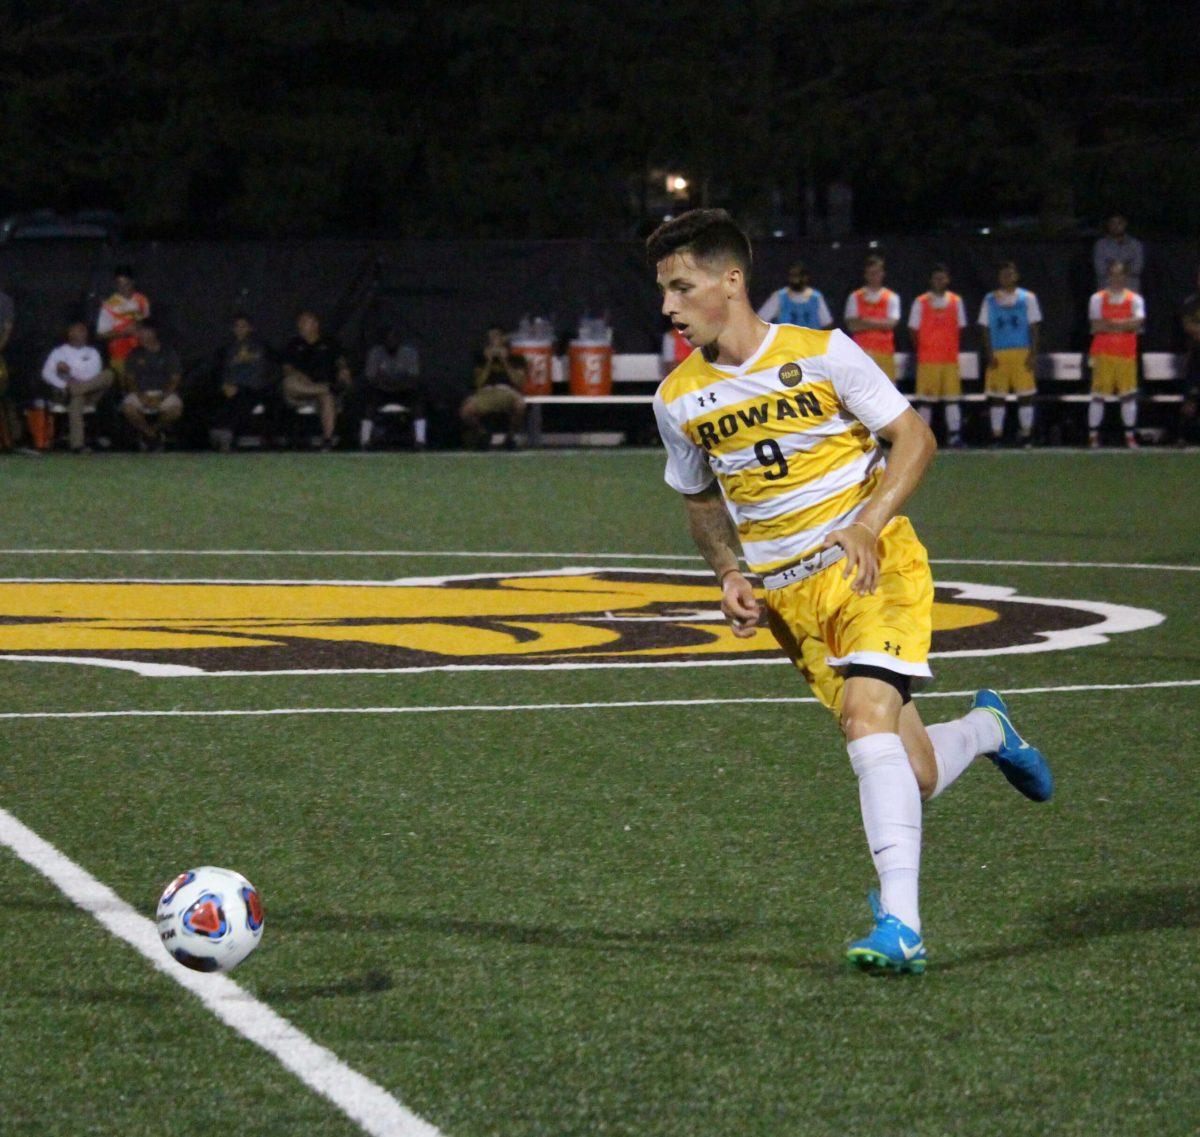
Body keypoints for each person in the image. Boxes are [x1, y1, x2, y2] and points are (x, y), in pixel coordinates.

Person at [649, 209, 1052, 975]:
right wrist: (729, 571)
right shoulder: (676, 399)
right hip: (788, 601)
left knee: (866, 721)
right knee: (916, 772)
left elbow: (915, 438)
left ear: (730, 281)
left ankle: (902, 924)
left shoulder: (824, 352)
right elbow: (700, 500)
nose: (668, 306)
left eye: (681, 286)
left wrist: (867, 524)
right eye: (664, 289)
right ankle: (991, 730)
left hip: (873, 563)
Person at [978, 261, 1042, 447]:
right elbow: (984, 328)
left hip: (1022, 352)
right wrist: (989, 353)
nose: (1007, 277)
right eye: (1004, 274)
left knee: (1025, 396)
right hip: (999, 353)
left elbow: (1034, 326)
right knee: (997, 397)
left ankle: (1026, 435)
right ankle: (997, 436)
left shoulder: (1027, 298)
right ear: (999, 277)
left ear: (1016, 276)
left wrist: (1033, 353)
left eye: (1010, 274)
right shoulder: (990, 299)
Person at [907, 264, 967, 447]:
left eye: (942, 278)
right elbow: (913, 329)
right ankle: (923, 439)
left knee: (952, 399)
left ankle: (954, 436)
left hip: (949, 359)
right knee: (926, 401)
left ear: (947, 280)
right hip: (928, 359)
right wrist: (924, 348)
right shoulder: (921, 301)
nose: (939, 281)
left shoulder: (956, 301)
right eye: (936, 278)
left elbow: (961, 328)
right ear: (931, 281)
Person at [1087, 261, 1145, 449]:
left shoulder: (1135, 299)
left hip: (1126, 354)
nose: (1117, 279)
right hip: (1103, 354)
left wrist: (1110, 324)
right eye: (1113, 275)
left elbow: (1137, 324)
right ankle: (1093, 436)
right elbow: (1096, 326)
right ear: (1108, 276)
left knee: (1128, 396)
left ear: (1126, 277)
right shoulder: (1097, 298)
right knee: (1098, 396)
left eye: (1120, 275)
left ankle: (1129, 436)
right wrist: (1124, 324)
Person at [281, 310, 352, 450]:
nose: (300, 326)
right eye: (299, 323)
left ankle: (327, 440)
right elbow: (286, 368)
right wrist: (300, 376)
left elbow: (341, 361)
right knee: (288, 383)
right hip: (302, 390)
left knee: (327, 397)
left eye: (304, 322)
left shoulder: (329, 342)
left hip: (322, 391)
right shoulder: (293, 344)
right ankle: (327, 388)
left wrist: (344, 370)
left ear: (315, 324)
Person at [40, 321, 113, 453]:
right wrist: (64, 384)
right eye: (80, 331)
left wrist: (70, 372)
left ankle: (74, 391)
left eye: (84, 331)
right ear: (70, 333)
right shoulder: (59, 352)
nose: (83, 334)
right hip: (66, 393)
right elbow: (46, 373)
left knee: (108, 374)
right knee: (76, 400)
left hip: (89, 392)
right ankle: (77, 445)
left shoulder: (92, 352)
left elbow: (93, 374)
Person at [217, 313, 277, 451]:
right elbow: (223, 371)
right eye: (237, 326)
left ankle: (233, 440)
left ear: (250, 328)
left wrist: (239, 386)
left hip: (254, 388)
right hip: (231, 389)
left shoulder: (258, 347)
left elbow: (261, 371)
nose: (240, 329)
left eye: (243, 326)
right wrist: (225, 385)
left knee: (242, 399)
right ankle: (225, 440)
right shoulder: (227, 349)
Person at [460, 326, 527, 449]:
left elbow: (519, 382)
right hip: (486, 392)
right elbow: (478, 382)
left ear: (503, 339)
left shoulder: (516, 358)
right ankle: (483, 435)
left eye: (496, 337)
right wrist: (488, 362)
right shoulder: (481, 358)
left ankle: (510, 438)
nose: (493, 341)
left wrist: (505, 361)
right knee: (466, 411)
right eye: (490, 338)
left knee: (520, 405)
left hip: (507, 392)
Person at [120, 319, 183, 450]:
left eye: (141, 331)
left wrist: (162, 396)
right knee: (128, 408)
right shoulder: (134, 354)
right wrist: (140, 396)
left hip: (162, 393)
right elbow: (130, 379)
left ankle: (151, 431)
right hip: (141, 393)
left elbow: (175, 379)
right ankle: (151, 435)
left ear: (152, 333)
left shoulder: (168, 353)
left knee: (175, 410)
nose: (138, 335)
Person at [361, 328, 426, 449]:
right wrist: (389, 383)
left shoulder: (410, 353)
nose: (391, 342)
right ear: (383, 341)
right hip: (382, 391)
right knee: (370, 404)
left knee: (417, 403)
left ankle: (420, 440)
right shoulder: (375, 353)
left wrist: (392, 382)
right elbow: (372, 378)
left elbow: (413, 378)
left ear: (400, 340)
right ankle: (365, 440)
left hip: (404, 391)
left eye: (394, 338)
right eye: (388, 339)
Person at [843, 254, 901, 381]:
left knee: (886, 395)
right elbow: (852, 326)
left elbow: (891, 324)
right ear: (866, 274)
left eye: (877, 272)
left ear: (882, 273)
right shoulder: (855, 297)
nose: (874, 276)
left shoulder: (891, 297)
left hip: (884, 354)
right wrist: (880, 323)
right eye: (871, 273)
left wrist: (864, 321)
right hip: (861, 354)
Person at [96, 267, 150, 380]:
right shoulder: (109, 305)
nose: (123, 288)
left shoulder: (142, 300)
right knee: (125, 388)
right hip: (120, 355)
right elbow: (100, 335)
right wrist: (123, 332)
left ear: (133, 282)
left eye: (126, 284)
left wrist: (139, 326)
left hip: (141, 353)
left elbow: (147, 324)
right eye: (119, 284)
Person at [757, 263, 833, 329]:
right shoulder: (779, 297)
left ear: (806, 277)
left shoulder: (816, 298)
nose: (795, 279)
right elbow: (760, 320)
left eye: (798, 276)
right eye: (793, 276)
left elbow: (827, 323)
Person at [1092, 214, 1144, 293]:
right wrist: (1126, 265)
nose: (1116, 226)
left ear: (1125, 224)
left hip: (1130, 293)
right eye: (1113, 223)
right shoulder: (1100, 245)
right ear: (1108, 225)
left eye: (1119, 223)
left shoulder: (1135, 244)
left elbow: (1137, 268)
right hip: (1107, 292)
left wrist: (1112, 265)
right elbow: (1101, 270)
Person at [1177, 268, 1200, 446]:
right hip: (1196, 357)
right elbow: (1189, 327)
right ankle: (1181, 436)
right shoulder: (1191, 303)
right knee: (1190, 400)